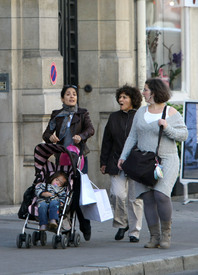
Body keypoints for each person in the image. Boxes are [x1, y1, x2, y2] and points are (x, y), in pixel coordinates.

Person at [118, 78, 188, 249]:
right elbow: (132, 136)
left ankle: (166, 234)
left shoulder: (170, 112)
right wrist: (123, 156)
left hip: (166, 160)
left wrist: (167, 128)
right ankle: (154, 236)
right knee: (147, 198)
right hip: (143, 162)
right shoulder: (141, 113)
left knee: (161, 195)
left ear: (155, 92)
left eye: (146, 90)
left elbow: (183, 134)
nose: (143, 93)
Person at [42, 84, 95, 240]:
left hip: (78, 159)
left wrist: (82, 136)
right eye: (68, 94)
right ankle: (65, 225)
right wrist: (50, 137)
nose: (72, 96)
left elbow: (91, 129)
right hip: (61, 159)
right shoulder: (57, 115)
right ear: (62, 98)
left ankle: (85, 226)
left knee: (78, 195)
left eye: (74, 94)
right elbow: (46, 133)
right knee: (64, 193)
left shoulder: (82, 113)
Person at [100, 85, 143, 243]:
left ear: (133, 99)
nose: (121, 100)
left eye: (125, 97)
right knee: (117, 195)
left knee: (135, 198)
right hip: (115, 161)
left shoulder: (140, 116)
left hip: (135, 163)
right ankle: (121, 223)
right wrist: (103, 162)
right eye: (120, 97)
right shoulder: (113, 117)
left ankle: (134, 231)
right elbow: (106, 141)